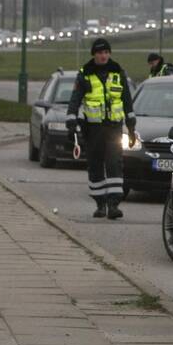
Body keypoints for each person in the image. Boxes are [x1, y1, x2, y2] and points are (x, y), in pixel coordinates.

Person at [66, 37, 136, 219]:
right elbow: (75, 99)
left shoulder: (118, 72)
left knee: (115, 164)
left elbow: (127, 100)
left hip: (113, 127)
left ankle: (114, 205)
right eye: (100, 53)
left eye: (106, 52)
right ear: (94, 54)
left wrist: (131, 126)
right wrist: (71, 122)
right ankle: (100, 204)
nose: (103, 56)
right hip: (93, 128)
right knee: (95, 165)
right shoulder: (85, 73)